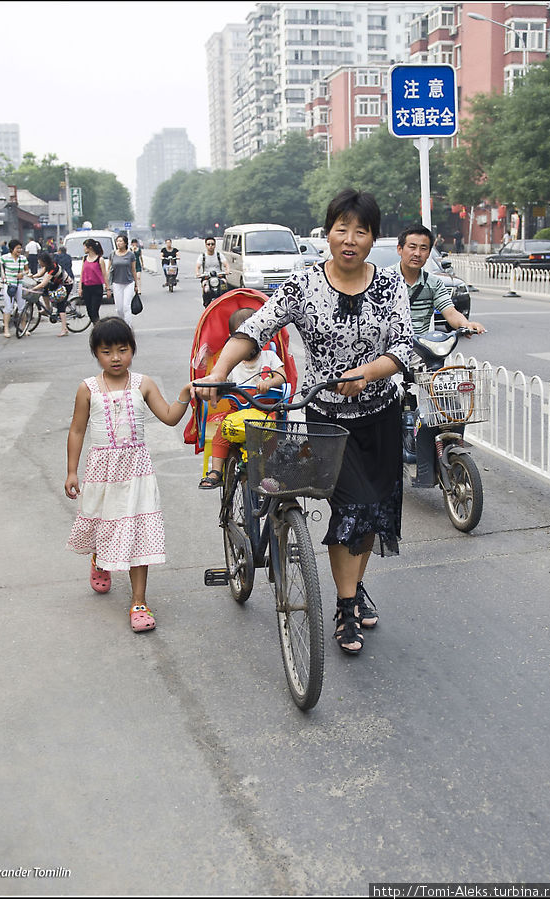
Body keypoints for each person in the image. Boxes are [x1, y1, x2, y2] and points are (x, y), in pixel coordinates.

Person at [194, 188, 413, 655]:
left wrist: (366, 373)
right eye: (342, 228)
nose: (350, 239)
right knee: (351, 509)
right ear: (327, 232)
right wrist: (218, 372)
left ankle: (353, 587)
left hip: (381, 414)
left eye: (361, 231)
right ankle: (346, 607)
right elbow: (254, 330)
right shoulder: (302, 284)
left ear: (373, 237)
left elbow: (403, 348)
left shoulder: (392, 284)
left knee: (373, 513)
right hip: (328, 419)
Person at [65, 317, 192, 633]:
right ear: (96, 353)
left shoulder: (143, 384)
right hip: (101, 473)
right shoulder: (88, 389)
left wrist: (185, 396)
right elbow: (77, 429)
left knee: (137, 533)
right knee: (104, 526)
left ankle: (139, 602)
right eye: (108, 351)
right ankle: (100, 559)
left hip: (137, 473)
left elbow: (169, 417)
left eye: (123, 350)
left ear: (132, 350)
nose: (116, 357)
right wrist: (71, 471)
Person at [197, 307, 286, 489]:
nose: (249, 344)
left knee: (272, 438)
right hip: (237, 411)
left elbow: (282, 376)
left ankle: (270, 471)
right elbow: (220, 384)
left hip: (265, 411)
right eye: (242, 339)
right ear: (233, 340)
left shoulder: (269, 357)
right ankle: (216, 471)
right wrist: (217, 391)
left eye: (253, 339)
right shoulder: (230, 363)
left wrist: (269, 383)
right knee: (221, 434)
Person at [391, 225, 486, 338]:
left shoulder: (433, 283)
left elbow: (450, 312)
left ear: (429, 253)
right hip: (387, 350)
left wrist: (466, 324)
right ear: (399, 249)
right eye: (412, 247)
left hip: (419, 350)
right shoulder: (383, 279)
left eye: (423, 248)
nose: (417, 253)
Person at [32, 251, 75, 337]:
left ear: (44, 261)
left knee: (61, 305)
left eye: (39, 261)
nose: (38, 262)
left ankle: (64, 329)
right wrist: (31, 276)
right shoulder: (47, 266)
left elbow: (43, 283)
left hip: (66, 285)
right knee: (44, 292)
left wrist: (33, 289)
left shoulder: (53, 268)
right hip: (56, 284)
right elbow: (39, 274)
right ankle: (48, 309)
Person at [106, 233, 139, 326]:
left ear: (125, 243)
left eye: (121, 241)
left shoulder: (131, 255)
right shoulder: (112, 254)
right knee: (119, 308)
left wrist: (136, 285)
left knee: (126, 307)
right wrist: (107, 284)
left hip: (129, 282)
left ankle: (128, 327)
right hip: (117, 283)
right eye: (117, 241)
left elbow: (133, 270)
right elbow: (108, 269)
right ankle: (122, 325)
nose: (118, 243)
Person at [80, 238, 111, 325]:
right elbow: (82, 273)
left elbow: (104, 275)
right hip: (86, 287)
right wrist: (80, 288)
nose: (84, 249)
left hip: (96, 288)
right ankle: (97, 326)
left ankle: (98, 328)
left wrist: (108, 288)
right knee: (89, 311)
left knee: (94, 310)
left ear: (90, 248)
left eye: (85, 247)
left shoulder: (99, 259)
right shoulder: (85, 258)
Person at [195, 235, 229, 303]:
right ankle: (206, 303)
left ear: (215, 245)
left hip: (219, 276)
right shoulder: (202, 256)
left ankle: (225, 302)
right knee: (206, 288)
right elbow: (198, 266)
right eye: (208, 244)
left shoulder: (219, 255)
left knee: (224, 285)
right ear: (206, 245)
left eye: (212, 244)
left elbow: (226, 264)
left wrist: (227, 270)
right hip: (207, 277)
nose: (210, 246)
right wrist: (197, 273)